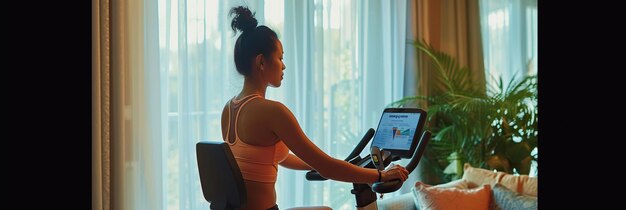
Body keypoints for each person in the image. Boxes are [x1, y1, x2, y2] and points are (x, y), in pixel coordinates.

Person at [221, 6, 409, 210]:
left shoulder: (229, 109)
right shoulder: (272, 112)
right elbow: (327, 168)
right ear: (261, 62)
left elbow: (270, 157)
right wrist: (381, 175)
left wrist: (321, 164)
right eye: (280, 58)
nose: (283, 66)